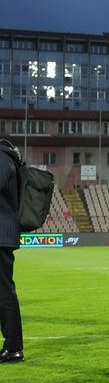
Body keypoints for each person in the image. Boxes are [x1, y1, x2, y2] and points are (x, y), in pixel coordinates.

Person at [0, 141, 23, 364]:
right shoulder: (7, 158)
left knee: (4, 292)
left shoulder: (2, 158)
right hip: (4, 234)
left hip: (1, 236)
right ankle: (13, 347)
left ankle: (14, 348)